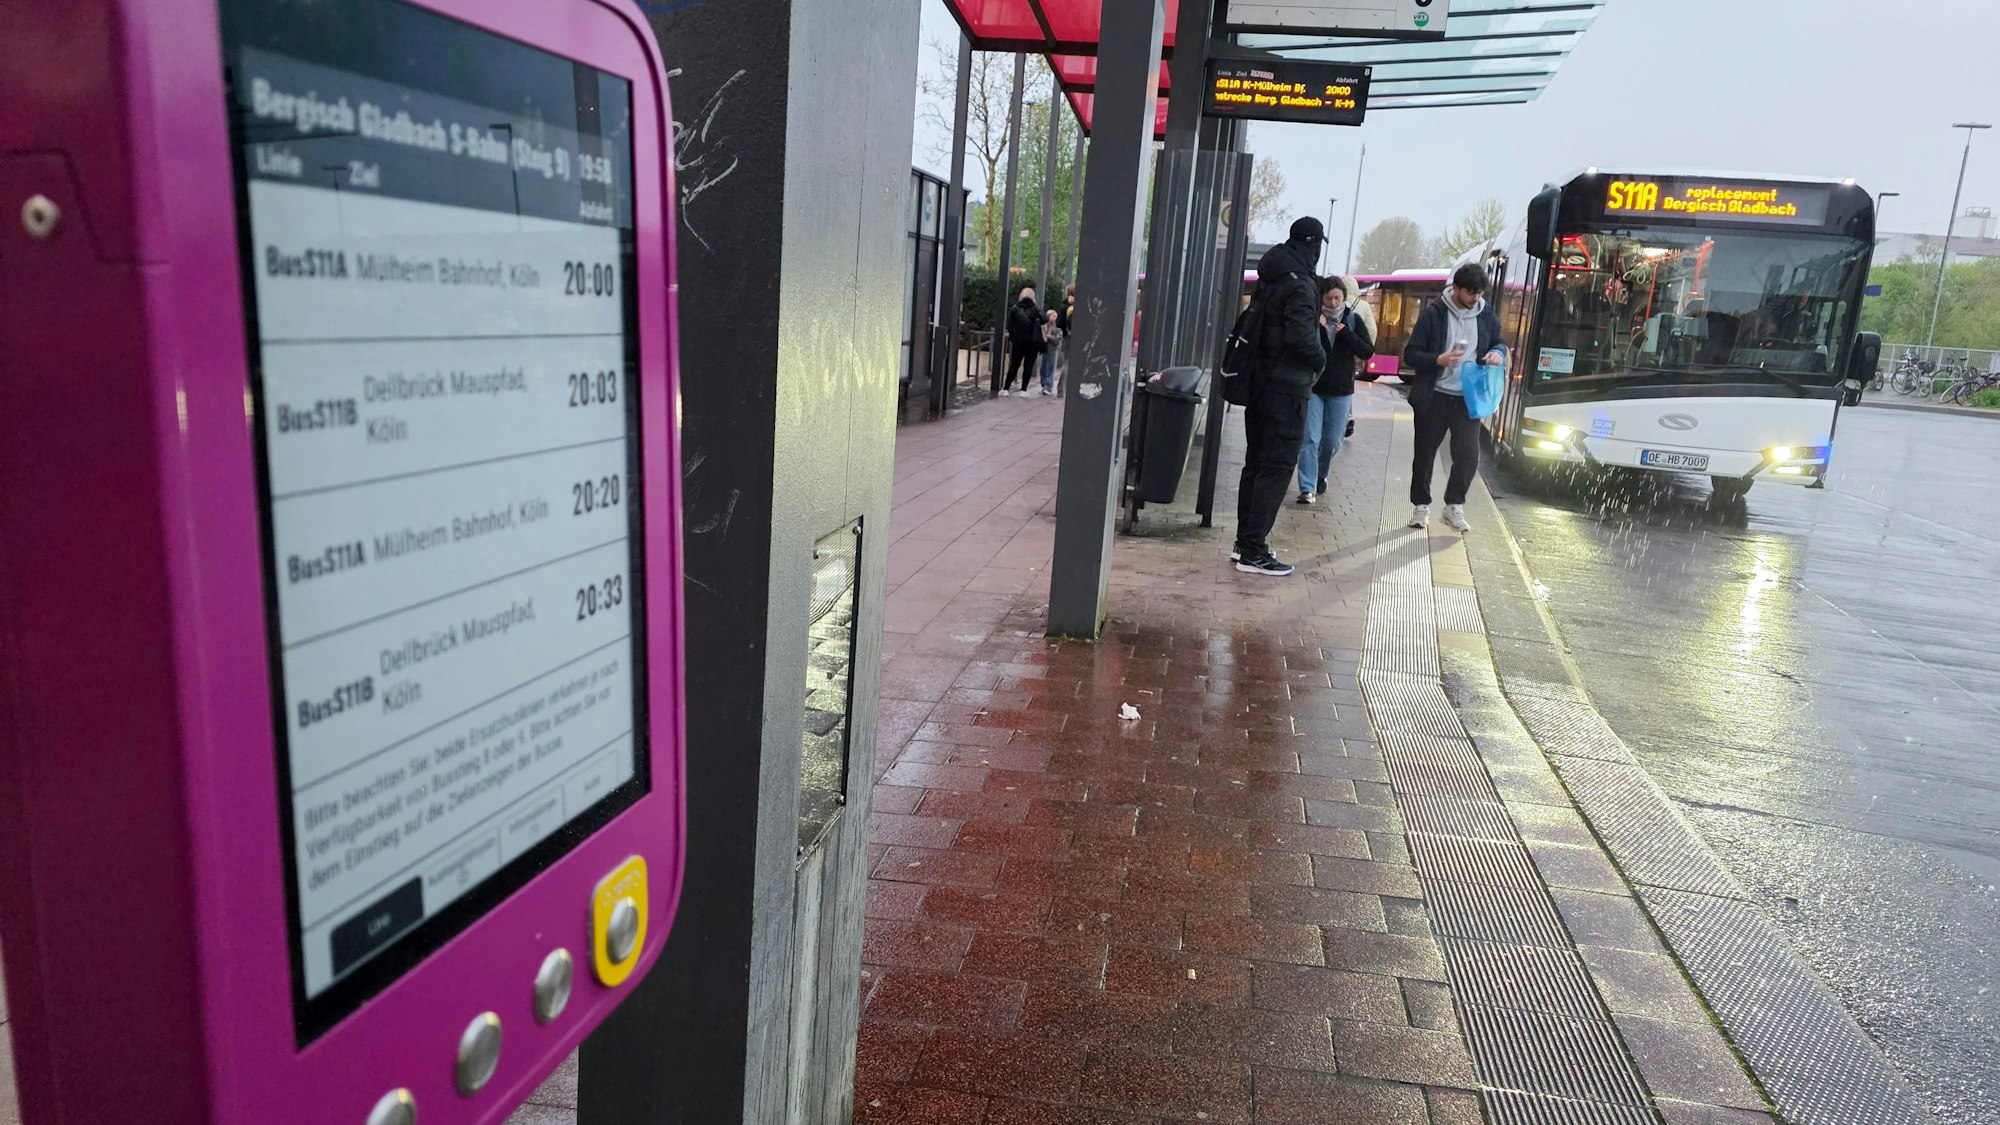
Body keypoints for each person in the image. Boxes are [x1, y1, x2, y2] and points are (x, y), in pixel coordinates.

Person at [1232, 217, 1328, 577]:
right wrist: (1322, 359)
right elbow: (1302, 339)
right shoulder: (1301, 285)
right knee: (1275, 469)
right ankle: (1254, 550)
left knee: (1255, 465)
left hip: (1259, 384)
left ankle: (1245, 543)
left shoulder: (1272, 278)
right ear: (1315, 246)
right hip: (1286, 391)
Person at [1402, 262, 1506, 532]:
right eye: (1470, 293)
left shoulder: (1486, 315)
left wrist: (1498, 354)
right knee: (1424, 454)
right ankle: (1420, 506)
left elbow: (1499, 341)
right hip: (1434, 396)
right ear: (1456, 289)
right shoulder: (1434, 315)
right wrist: (1439, 359)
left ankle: (1453, 506)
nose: (1475, 299)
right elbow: (1411, 354)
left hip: (1467, 399)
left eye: (1480, 293)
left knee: (1469, 456)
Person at [1296, 276, 1374, 505]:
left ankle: (1321, 474)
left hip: (1341, 390)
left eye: (1336, 298)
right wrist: (1319, 329)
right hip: (1314, 387)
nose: (1332, 302)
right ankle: (1307, 487)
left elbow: (1367, 351)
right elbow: (1303, 346)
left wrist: (1346, 334)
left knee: (1332, 441)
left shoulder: (1352, 320)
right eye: (1328, 298)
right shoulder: (1312, 320)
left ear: (1343, 298)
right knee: (1310, 438)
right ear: (1321, 298)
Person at [1001, 286, 1044, 396]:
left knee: (1014, 364)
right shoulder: (1036, 308)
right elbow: (1044, 319)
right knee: (1028, 365)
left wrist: (1013, 335)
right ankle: (1023, 390)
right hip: (1032, 342)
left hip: (1018, 341)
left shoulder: (1015, 308)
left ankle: (1006, 388)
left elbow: (1009, 325)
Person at [1038, 309, 1063, 395]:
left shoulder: (1057, 328)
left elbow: (1058, 340)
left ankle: (1048, 387)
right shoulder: (1043, 326)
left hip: (1052, 349)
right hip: (1044, 349)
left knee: (1050, 368)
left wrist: (1049, 337)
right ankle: (1043, 384)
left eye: (1055, 316)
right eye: (1052, 316)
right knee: (1043, 368)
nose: (1054, 318)